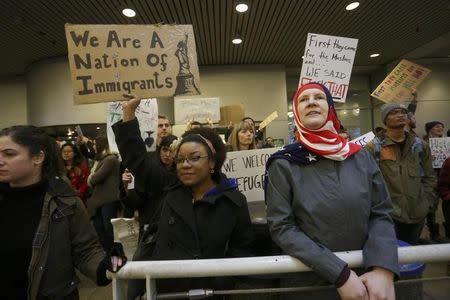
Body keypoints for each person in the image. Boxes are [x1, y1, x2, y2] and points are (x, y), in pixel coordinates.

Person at [112, 94, 253, 298]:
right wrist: (129, 112)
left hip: (213, 292)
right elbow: (138, 160)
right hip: (168, 293)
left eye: (194, 158)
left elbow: (242, 249)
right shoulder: (169, 188)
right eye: (180, 160)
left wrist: (223, 282)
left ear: (212, 162)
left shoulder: (234, 201)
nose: (185, 165)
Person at [265, 83, 398, 300]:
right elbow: (282, 227)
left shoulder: (360, 156)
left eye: (319, 97)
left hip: (366, 279)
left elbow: (381, 213)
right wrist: (340, 274)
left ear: (330, 108)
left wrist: (382, 268)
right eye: (303, 99)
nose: (311, 102)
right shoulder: (283, 164)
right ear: (297, 113)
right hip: (309, 282)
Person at [0, 125, 126, 299]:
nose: (0, 160)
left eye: (9, 154)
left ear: (37, 157)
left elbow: (86, 250)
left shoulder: (65, 201)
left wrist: (106, 265)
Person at [366, 103, 436, 245]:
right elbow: (366, 182)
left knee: (412, 253)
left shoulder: (421, 146)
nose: (400, 115)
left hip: (418, 212)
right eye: (394, 112)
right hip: (388, 215)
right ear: (385, 119)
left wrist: (427, 203)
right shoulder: (373, 147)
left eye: (403, 112)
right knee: (391, 255)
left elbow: (430, 177)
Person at [87, 135, 121, 252]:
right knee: (100, 229)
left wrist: (91, 177)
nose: (94, 147)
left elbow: (95, 179)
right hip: (102, 201)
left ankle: (112, 253)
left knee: (108, 230)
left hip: (108, 200)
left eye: (96, 144)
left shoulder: (110, 159)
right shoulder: (102, 159)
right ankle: (108, 252)